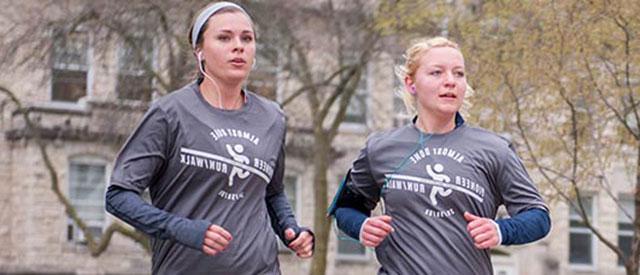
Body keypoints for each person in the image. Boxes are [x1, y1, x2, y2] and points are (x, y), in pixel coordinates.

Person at [105, 2, 313, 274]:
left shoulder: (272, 118)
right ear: (199, 50)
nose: (238, 46)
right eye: (224, 37)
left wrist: (290, 229)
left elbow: (271, 192)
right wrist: (181, 228)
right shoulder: (170, 113)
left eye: (246, 38)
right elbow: (118, 196)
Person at [328, 37, 551, 274]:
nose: (450, 82)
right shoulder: (379, 147)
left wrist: (501, 230)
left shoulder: (495, 149)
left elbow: (538, 217)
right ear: (411, 83)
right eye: (436, 73)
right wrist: (361, 226)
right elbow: (344, 207)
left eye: (458, 74)